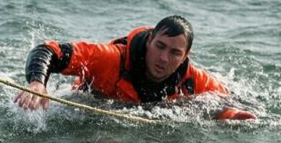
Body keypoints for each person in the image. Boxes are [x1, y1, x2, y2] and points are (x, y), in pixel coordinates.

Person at [14, 16, 256, 120]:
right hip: (88, 107)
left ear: (185, 56)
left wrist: (231, 116)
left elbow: (227, 103)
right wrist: (37, 82)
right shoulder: (109, 58)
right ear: (149, 40)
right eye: (160, 46)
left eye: (175, 53)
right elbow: (47, 50)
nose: (164, 58)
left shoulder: (194, 80)